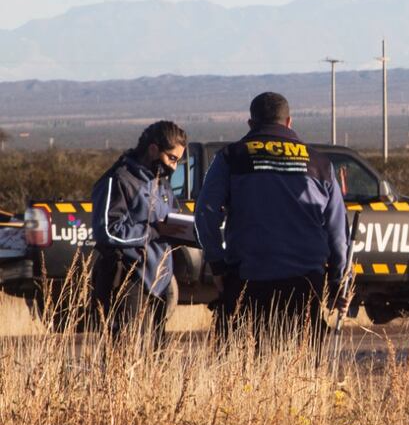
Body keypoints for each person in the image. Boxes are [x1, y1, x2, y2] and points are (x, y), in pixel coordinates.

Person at [194, 92, 348, 346]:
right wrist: (337, 280)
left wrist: (217, 265)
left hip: (247, 280)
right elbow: (338, 232)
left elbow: (205, 213)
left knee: (240, 369)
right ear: (289, 122)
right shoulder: (320, 164)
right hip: (305, 282)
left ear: (251, 124)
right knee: (303, 369)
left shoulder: (231, 158)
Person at [92, 120, 187, 347]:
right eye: (171, 158)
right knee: (126, 357)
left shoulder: (161, 184)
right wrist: (153, 231)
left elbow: (169, 218)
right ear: (153, 149)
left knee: (154, 361)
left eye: (177, 161)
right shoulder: (119, 180)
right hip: (128, 280)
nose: (174, 167)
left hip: (159, 285)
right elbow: (107, 231)